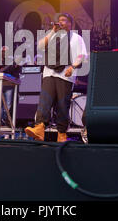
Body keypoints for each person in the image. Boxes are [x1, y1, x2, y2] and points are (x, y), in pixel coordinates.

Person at [24, 13, 88, 142]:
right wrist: (52, 32)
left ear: (71, 23)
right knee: (44, 100)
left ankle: (62, 134)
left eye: (64, 20)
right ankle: (39, 128)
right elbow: (40, 46)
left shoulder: (76, 38)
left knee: (62, 105)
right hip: (49, 72)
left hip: (65, 74)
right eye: (59, 20)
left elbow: (82, 56)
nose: (61, 22)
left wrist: (73, 67)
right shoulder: (52, 35)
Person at [0, 46, 20, 124]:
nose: (3, 53)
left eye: (5, 51)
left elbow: (15, 72)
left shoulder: (12, 61)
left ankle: (7, 121)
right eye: (2, 51)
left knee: (8, 104)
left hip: (8, 85)